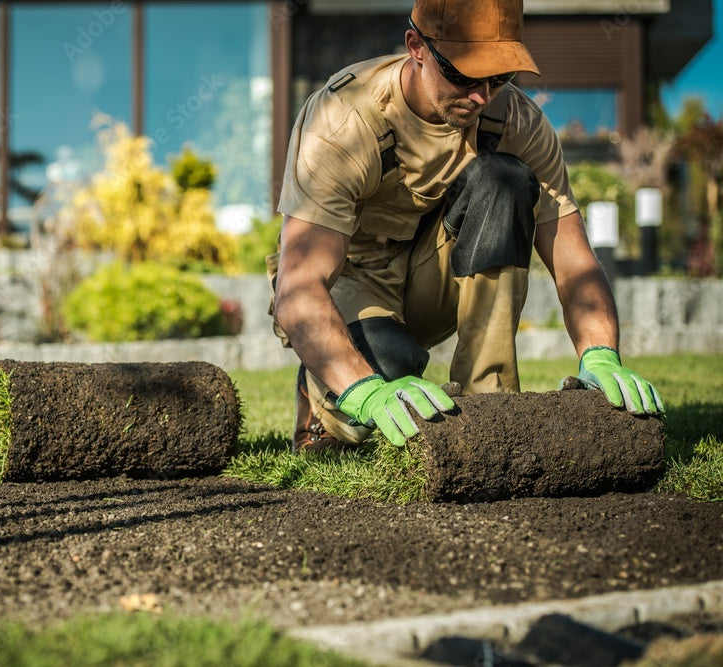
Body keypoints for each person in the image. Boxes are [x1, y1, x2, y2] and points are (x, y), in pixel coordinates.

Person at [268, 0, 664, 454]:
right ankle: (322, 407)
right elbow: (299, 290)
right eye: (464, 75)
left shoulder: (517, 122)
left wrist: (600, 353)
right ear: (416, 46)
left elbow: (574, 260)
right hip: (352, 283)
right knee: (390, 365)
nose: (482, 96)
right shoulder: (343, 119)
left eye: (500, 78)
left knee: (504, 179)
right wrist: (363, 389)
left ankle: (489, 408)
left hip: (428, 280)